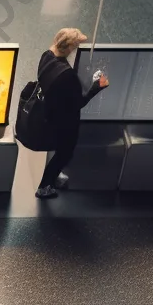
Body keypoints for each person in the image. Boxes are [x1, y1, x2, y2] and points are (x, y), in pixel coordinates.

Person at [35, 27, 109, 199]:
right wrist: (96, 87)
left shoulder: (46, 56)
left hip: (50, 113)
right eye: (75, 46)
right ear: (68, 47)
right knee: (64, 153)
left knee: (59, 149)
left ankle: (54, 175)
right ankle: (45, 186)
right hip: (65, 122)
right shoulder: (67, 75)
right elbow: (79, 103)